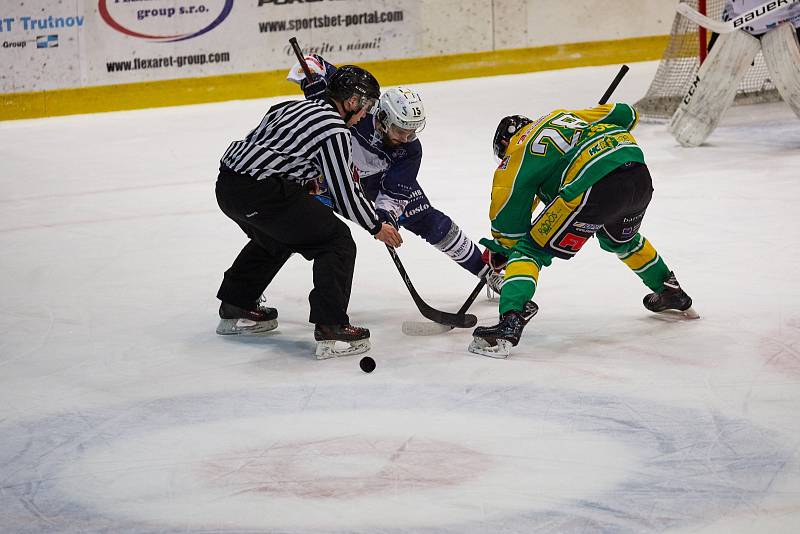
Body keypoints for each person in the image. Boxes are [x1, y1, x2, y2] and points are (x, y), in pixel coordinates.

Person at [470, 104, 698, 358]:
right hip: (637, 171)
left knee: (529, 250)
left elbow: (508, 227)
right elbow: (627, 114)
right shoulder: (561, 117)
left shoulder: (514, 156)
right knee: (622, 240)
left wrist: (502, 250)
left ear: (504, 142)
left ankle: (510, 321)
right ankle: (670, 290)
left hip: (593, 185)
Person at [214, 64, 402, 359]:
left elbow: (267, 147)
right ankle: (332, 325)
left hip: (228, 187)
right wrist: (376, 226)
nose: (365, 114)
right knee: (336, 241)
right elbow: (344, 192)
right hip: (263, 192)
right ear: (352, 101)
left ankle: (236, 304)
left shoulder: (289, 108)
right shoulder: (334, 130)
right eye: (365, 106)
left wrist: (301, 181)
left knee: (276, 238)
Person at [288, 56, 491, 285]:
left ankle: (487, 272)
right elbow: (310, 61)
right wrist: (312, 83)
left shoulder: (410, 150)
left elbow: (394, 194)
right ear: (383, 117)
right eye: (400, 130)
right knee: (292, 220)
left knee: (429, 220)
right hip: (327, 171)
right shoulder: (359, 103)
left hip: (376, 180)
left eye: (411, 132)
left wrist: (386, 219)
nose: (405, 138)